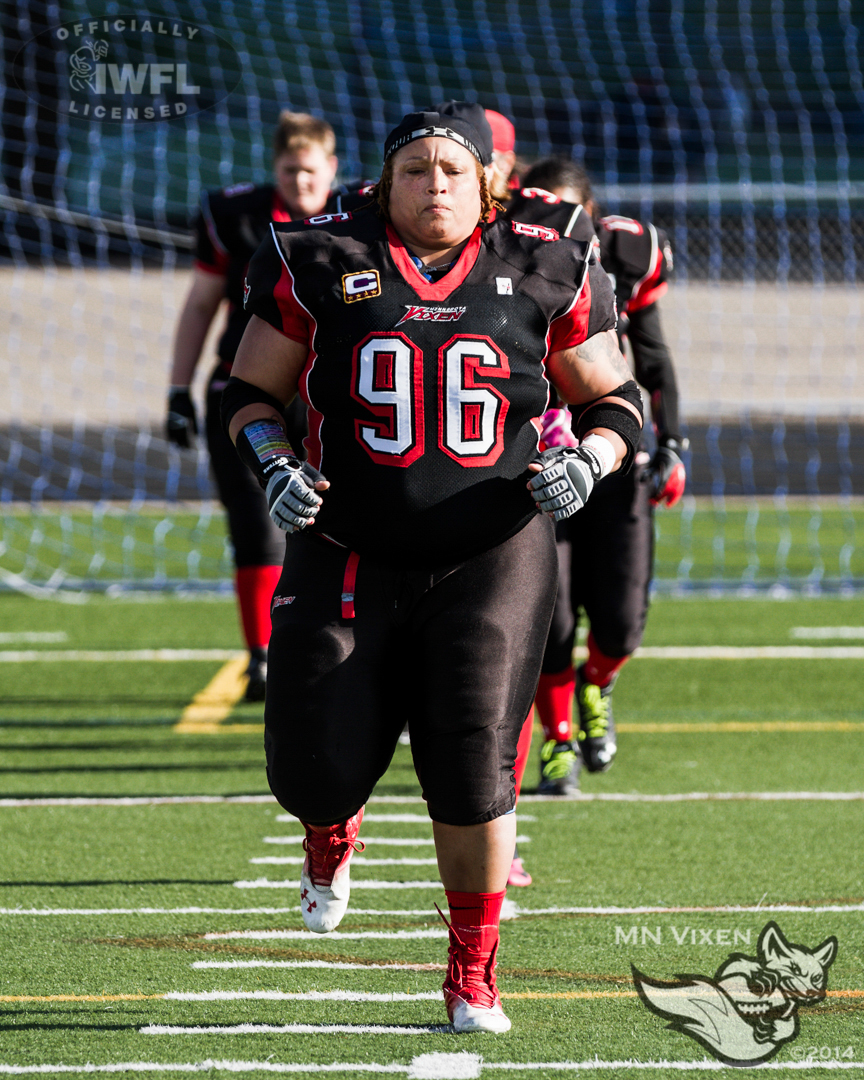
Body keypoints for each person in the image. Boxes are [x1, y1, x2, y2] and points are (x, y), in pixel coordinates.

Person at [222, 108, 642, 1033]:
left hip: (491, 550)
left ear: (490, 182)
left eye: (454, 170)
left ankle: (472, 974)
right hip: (344, 543)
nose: (437, 185)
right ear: (385, 181)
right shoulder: (318, 256)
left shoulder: (544, 259)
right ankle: (330, 837)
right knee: (313, 767)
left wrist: (591, 462)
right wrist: (274, 463)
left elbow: (616, 399)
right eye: (416, 170)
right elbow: (250, 391)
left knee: (473, 767)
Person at [510, 157, 686, 798]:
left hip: (610, 453)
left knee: (620, 619)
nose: (550, 227)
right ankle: (558, 740)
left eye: (563, 213)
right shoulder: (502, 255)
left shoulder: (624, 254)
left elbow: (654, 355)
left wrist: (673, 442)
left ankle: (597, 685)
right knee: (547, 619)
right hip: (534, 460)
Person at [165, 112, 343, 700]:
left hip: (329, 394)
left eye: (311, 171)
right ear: (275, 168)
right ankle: (263, 657)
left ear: (333, 169)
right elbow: (199, 305)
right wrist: (177, 390)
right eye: (291, 171)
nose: (301, 182)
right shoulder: (237, 217)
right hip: (250, 392)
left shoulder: (357, 217)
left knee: (341, 523)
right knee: (254, 523)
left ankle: (347, 648)